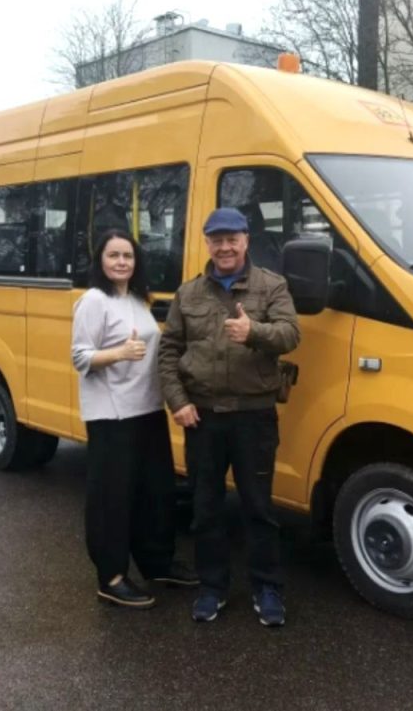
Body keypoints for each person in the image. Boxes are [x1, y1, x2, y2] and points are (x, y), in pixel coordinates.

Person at [158, 207, 300, 626]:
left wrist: (254, 332)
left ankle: (267, 589)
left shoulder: (271, 286)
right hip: (202, 418)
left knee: (259, 508)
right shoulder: (188, 293)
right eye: (216, 240)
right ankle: (212, 588)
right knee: (206, 509)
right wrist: (178, 402)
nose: (224, 247)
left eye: (232, 239)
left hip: (254, 418)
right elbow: (169, 352)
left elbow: (291, 334)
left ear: (246, 241)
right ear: (207, 244)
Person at [71, 228, 196, 608]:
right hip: (112, 415)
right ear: (100, 261)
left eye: (127, 255)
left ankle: (157, 563)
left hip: (148, 408)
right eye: (113, 255)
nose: (121, 262)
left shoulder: (139, 299)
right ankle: (110, 576)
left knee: (155, 492)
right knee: (113, 498)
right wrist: (119, 353)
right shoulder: (94, 301)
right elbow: (80, 356)